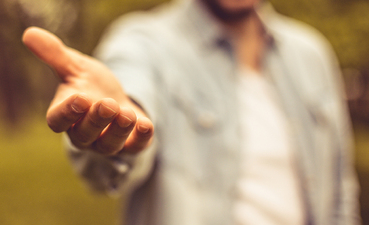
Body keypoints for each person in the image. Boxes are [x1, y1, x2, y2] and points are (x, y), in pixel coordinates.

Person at [22, 0, 361, 224]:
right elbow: (130, 94)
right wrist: (119, 124)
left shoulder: (311, 54)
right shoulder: (145, 41)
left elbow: (340, 187)